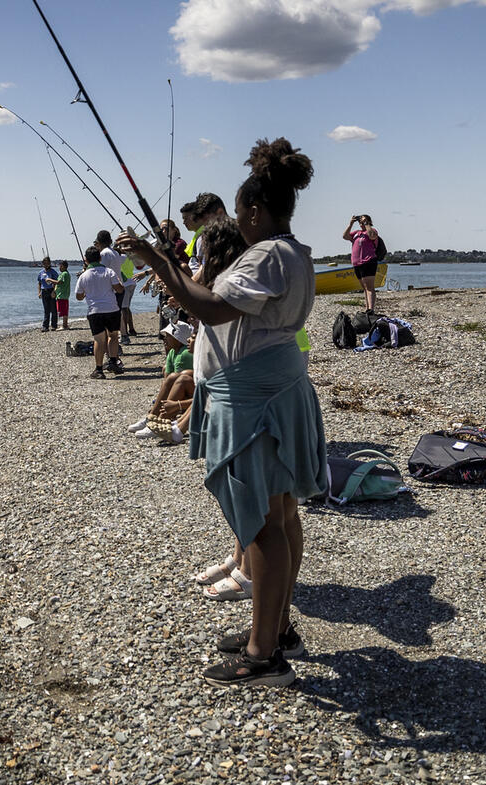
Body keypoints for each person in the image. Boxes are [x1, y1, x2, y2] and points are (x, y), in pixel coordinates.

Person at [119, 138, 326, 689]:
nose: (239, 222)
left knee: (258, 523)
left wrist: (158, 260)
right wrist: (169, 263)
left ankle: (263, 656)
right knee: (280, 515)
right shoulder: (298, 253)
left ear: (255, 211)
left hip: (253, 400)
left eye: (240, 213)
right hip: (279, 389)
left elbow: (209, 305)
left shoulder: (267, 255)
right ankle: (277, 629)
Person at [72, 245, 124, 379]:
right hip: (112, 309)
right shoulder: (109, 271)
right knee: (113, 336)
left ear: (86, 259)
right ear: (100, 258)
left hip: (95, 311)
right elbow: (119, 289)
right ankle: (113, 361)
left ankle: (99, 369)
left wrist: (86, 293)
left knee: (99, 340)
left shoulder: (83, 276)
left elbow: (78, 296)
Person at [93, 230, 128, 358]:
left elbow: (100, 271)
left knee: (108, 326)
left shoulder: (104, 254)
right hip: (118, 289)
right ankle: (115, 349)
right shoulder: (115, 253)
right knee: (114, 323)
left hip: (110, 291)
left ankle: (113, 351)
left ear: (99, 241)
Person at [343, 213, 380, 314]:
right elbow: (345, 236)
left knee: (369, 287)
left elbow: (372, 236)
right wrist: (350, 224)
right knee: (364, 288)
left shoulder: (372, 231)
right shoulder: (357, 233)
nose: (361, 223)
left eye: (363, 221)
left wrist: (367, 224)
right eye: (360, 222)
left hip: (368, 261)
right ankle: (367, 308)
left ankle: (371, 310)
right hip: (357, 264)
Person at [36, 257, 59, 331]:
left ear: (49, 263)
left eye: (47, 263)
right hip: (44, 291)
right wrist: (39, 292)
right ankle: (45, 326)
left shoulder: (53, 272)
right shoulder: (41, 272)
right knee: (46, 310)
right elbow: (39, 283)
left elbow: (57, 282)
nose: (46, 264)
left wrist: (54, 291)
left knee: (53, 309)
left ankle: (54, 325)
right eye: (44, 263)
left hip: (51, 291)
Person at [54, 259, 72, 330]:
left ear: (64, 267)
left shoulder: (64, 273)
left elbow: (59, 282)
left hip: (62, 295)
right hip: (63, 295)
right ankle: (65, 325)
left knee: (63, 311)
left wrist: (50, 280)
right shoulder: (65, 274)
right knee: (64, 310)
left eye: (61, 266)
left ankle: (64, 325)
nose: (59, 268)